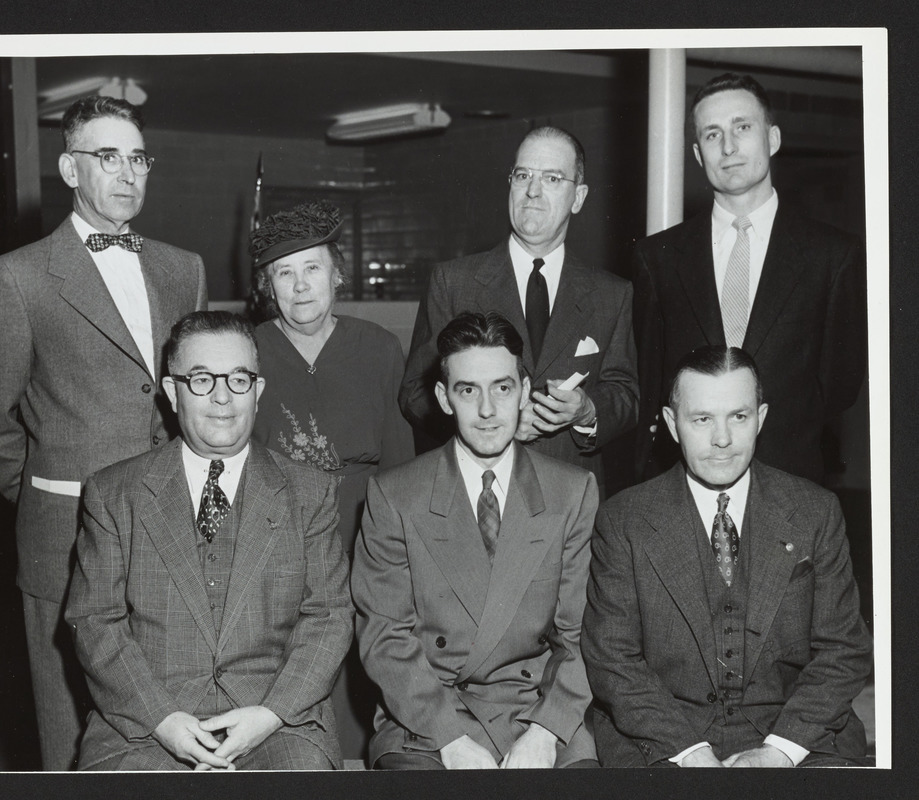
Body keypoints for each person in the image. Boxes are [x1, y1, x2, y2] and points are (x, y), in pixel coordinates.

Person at [0, 96, 207, 769]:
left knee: (167, 719)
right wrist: (43, 492)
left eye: (138, 158)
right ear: (69, 169)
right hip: (65, 535)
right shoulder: (17, 278)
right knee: (70, 731)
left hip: (171, 532)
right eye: (107, 156)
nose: (127, 173)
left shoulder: (182, 268)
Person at [65, 311, 353, 770]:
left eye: (239, 379)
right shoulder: (113, 492)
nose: (222, 397)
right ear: (172, 390)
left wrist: (270, 714)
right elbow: (95, 619)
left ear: (257, 391)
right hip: (146, 727)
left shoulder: (309, 492)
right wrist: (162, 719)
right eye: (200, 379)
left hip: (275, 725)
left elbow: (330, 616)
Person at [581, 345, 872, 768]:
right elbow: (612, 659)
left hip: (798, 735)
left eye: (739, 416)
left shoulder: (815, 511)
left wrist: (780, 751)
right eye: (702, 419)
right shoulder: (623, 520)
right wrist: (689, 752)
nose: (722, 439)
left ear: (762, 418)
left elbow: (843, 652)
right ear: (671, 424)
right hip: (663, 741)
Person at [353, 311, 599, 769]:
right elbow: (385, 637)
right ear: (444, 398)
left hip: (539, 710)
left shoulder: (572, 491)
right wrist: (450, 739)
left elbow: (580, 636)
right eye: (469, 390)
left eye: (502, 388)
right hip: (426, 718)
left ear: (524, 392)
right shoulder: (395, 495)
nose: (488, 410)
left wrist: (545, 733)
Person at [632, 73, 866, 485]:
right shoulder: (658, 258)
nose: (728, 147)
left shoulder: (833, 255)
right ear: (697, 153)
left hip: (792, 482)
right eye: (712, 134)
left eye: (742, 127)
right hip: (685, 486)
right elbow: (650, 381)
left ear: (772, 139)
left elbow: (840, 387)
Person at [248, 200, 415, 761]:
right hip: (282, 534)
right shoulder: (249, 353)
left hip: (365, 527)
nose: (300, 286)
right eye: (284, 273)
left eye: (312, 268)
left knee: (368, 657)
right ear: (268, 286)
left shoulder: (379, 348)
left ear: (338, 272)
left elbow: (399, 465)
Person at [399, 126, 637, 496]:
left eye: (552, 178)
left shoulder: (612, 293)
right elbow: (416, 393)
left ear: (579, 197)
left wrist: (587, 411)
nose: (533, 191)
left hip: (571, 498)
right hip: (473, 491)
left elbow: (626, 394)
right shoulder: (453, 281)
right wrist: (489, 422)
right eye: (523, 175)